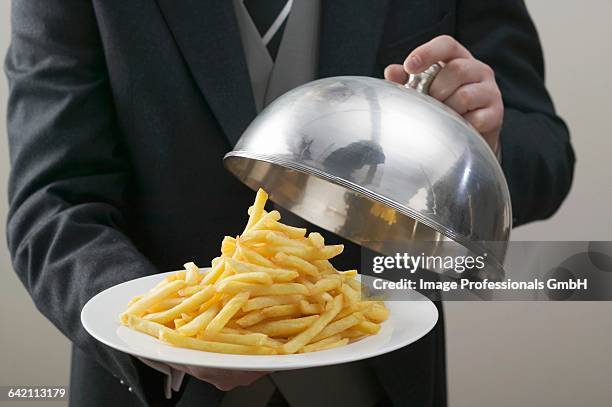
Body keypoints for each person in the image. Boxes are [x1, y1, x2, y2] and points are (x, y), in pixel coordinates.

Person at [4, 0, 574, 406]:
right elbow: (54, 204)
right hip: (161, 388)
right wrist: (168, 328)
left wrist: (480, 144)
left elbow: (547, 153)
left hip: (384, 380)